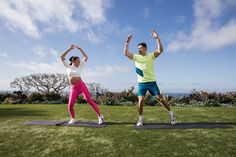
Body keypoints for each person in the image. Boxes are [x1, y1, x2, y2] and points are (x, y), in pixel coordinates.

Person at [123, 29, 176, 126]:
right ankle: (140, 119)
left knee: (161, 100)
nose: (138, 49)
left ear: (145, 48)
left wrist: (157, 38)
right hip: (141, 83)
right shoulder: (136, 57)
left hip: (152, 82)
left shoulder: (151, 56)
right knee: (140, 100)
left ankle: (171, 114)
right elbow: (125, 53)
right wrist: (127, 42)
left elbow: (160, 50)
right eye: (138, 48)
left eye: (140, 48)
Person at [60, 44, 104, 125]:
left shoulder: (80, 66)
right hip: (73, 88)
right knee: (70, 104)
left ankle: (100, 116)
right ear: (73, 61)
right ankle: (73, 118)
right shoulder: (68, 66)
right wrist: (69, 49)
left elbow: (86, 57)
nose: (79, 62)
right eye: (78, 61)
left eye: (79, 61)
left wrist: (80, 48)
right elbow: (61, 56)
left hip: (81, 85)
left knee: (89, 100)